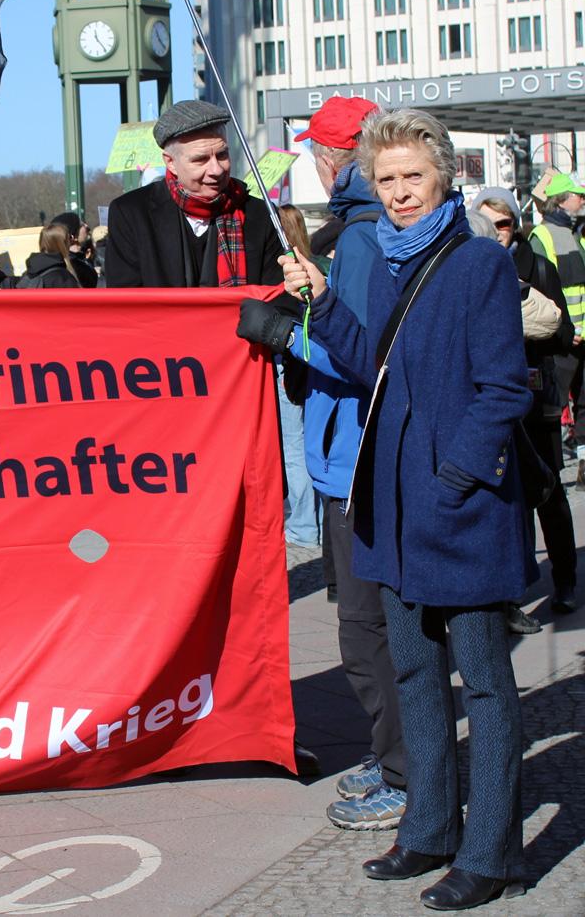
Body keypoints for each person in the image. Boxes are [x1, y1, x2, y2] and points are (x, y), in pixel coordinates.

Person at [281, 109, 531, 911]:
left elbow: (504, 389)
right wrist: (321, 301)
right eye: (384, 180)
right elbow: (370, 363)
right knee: (417, 673)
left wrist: (456, 476)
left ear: (443, 176)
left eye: (411, 177)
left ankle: (490, 850)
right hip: (389, 507)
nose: (398, 193)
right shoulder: (391, 262)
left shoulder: (478, 263)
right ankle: (428, 827)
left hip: (458, 511)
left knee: (485, 684)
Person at [238, 95, 409, 833]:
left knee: (366, 630)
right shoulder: (367, 229)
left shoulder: (365, 239)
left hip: (357, 458)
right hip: (356, 456)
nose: (311, 158)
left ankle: (405, 771)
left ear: (338, 157)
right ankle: (395, 754)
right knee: (371, 625)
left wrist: (288, 336)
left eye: (317, 148)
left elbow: (362, 352)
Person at [472, 187, 577, 617]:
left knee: (550, 491)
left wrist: (525, 322)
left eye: (505, 223)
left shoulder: (538, 267)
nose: (498, 232)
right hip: (492, 400)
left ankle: (566, 580)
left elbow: (563, 330)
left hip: (537, 395)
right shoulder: (471, 265)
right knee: (505, 498)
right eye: (489, 222)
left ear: (515, 224)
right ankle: (512, 594)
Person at [106, 100, 286, 289]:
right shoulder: (131, 213)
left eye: (222, 155)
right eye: (201, 160)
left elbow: (275, 300)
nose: (216, 170)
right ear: (170, 163)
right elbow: (126, 303)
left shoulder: (262, 214)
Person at [527, 172, 585, 485]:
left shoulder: (574, 232)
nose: (581, 199)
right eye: (577, 195)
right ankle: (549, 472)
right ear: (561, 200)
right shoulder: (546, 235)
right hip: (565, 339)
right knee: (556, 404)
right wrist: (565, 328)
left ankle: (583, 466)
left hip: (579, 337)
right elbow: (546, 291)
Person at [274, 205, 321, 550]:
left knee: (294, 444)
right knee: (311, 439)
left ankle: (306, 523)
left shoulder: (286, 271)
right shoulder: (317, 265)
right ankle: (313, 519)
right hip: (315, 359)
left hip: (289, 359)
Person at [16, 222, 83, 288]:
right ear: (62, 245)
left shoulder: (28, 274)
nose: (72, 241)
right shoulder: (63, 278)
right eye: (69, 238)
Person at [49, 211, 98, 287]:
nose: (87, 227)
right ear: (72, 236)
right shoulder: (72, 267)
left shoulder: (80, 262)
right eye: (82, 225)